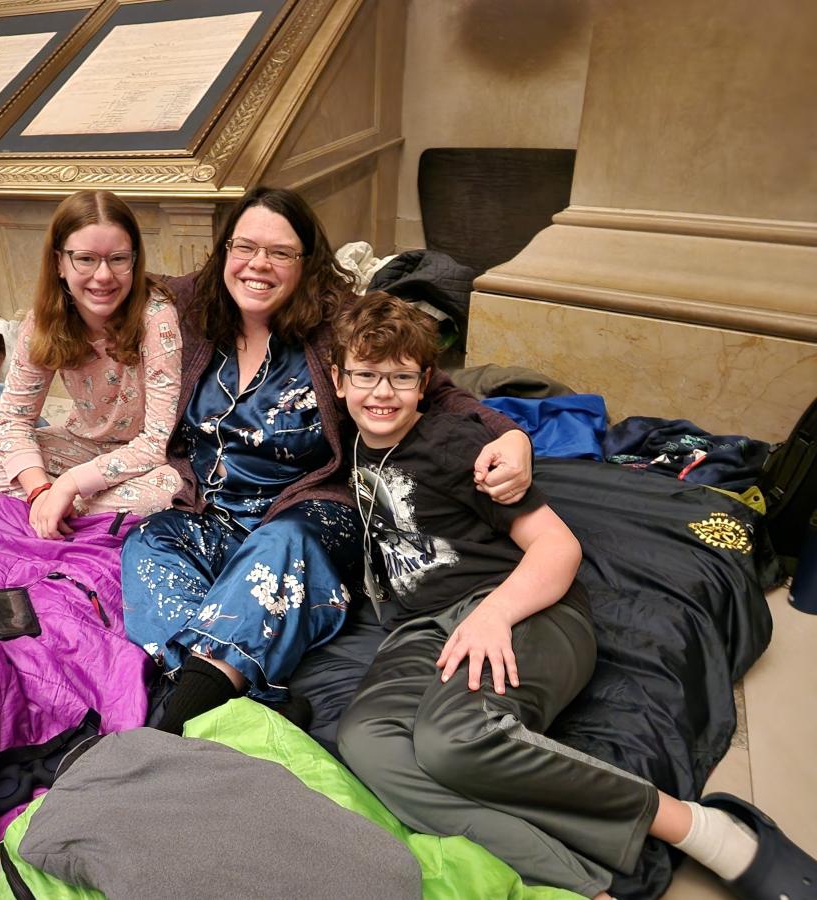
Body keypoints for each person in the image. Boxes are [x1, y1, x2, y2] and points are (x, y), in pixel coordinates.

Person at [331, 292, 815, 900]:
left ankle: (709, 829)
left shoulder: (455, 446)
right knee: (369, 744)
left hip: (519, 606)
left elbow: (558, 548)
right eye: (366, 376)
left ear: (425, 381)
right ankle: (582, 885)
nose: (381, 392)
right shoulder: (350, 443)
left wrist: (494, 615)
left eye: (400, 377)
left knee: (452, 741)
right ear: (339, 379)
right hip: (424, 629)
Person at [120, 187, 534, 736]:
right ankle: (238, 692)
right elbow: (112, 281)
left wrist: (512, 437)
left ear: (306, 261)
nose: (258, 265)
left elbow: (436, 389)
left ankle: (177, 719)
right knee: (148, 540)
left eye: (281, 252)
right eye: (244, 247)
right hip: (216, 513)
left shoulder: (336, 324)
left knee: (280, 542)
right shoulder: (198, 313)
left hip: (309, 513)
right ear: (224, 253)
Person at [0, 190, 182, 539]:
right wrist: (42, 490)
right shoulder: (43, 323)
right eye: (85, 259)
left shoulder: (157, 316)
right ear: (59, 262)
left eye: (118, 259)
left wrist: (70, 485)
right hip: (82, 445)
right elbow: (14, 420)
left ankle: (60, 516)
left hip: (152, 460)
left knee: (173, 491)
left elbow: (159, 441)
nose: (103, 276)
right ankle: (74, 516)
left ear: (134, 260)